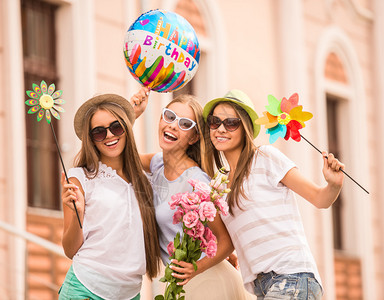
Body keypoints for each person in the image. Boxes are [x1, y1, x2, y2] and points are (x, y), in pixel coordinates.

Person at [202, 89, 345, 300]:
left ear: (245, 127)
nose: (221, 129)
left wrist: (333, 185)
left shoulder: (265, 158)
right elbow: (230, 239)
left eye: (231, 123)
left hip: (292, 276)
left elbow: (319, 198)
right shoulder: (219, 185)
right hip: (263, 287)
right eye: (215, 122)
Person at [133, 91, 255, 300]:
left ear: (194, 137)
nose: (172, 125)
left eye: (184, 124)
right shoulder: (157, 163)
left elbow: (226, 240)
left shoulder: (197, 183)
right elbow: (120, 156)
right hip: (179, 284)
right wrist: (133, 114)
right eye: (169, 116)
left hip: (206, 283)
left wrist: (194, 268)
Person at [59, 93, 160, 300]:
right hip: (85, 290)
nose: (109, 136)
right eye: (98, 132)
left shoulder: (145, 179)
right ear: (91, 140)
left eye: (116, 127)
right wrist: (78, 213)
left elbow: (171, 160)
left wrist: (131, 116)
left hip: (130, 294)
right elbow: (70, 250)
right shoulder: (80, 177)